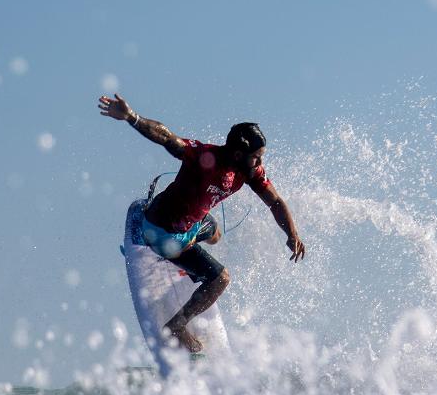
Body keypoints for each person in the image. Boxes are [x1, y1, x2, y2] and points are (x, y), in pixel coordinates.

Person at [98, 93, 306, 353]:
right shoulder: (203, 157)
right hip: (165, 235)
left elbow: (275, 201)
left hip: (190, 224)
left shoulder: (248, 171)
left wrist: (292, 234)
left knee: (215, 233)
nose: (261, 162)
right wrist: (131, 117)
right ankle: (176, 326)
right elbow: (167, 137)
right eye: (257, 156)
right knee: (221, 279)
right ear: (239, 153)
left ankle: (187, 259)